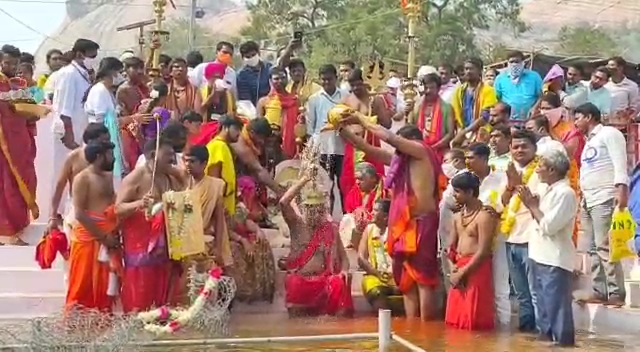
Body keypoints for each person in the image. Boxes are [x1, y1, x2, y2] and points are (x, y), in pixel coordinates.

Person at [340, 123, 440, 320]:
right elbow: (369, 150)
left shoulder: (421, 152)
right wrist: (342, 130)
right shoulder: (402, 161)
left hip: (421, 224)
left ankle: (427, 330)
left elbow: (389, 138)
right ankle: (413, 330)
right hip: (404, 227)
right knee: (407, 279)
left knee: (423, 280)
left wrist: (359, 117)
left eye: (401, 145)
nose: (397, 150)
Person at [116, 139, 186, 312]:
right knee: (140, 295)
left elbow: (186, 193)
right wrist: (139, 203)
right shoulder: (136, 177)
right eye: (168, 155)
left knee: (164, 293)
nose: (172, 160)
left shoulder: (170, 176)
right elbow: (117, 209)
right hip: (141, 248)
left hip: (165, 249)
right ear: (154, 155)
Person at [520, 149, 577, 346]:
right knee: (543, 311)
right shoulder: (546, 190)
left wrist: (533, 207)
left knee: (558, 310)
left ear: (552, 170)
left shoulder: (565, 194)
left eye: (540, 166)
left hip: (555, 259)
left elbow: (549, 227)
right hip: (538, 255)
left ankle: (564, 346)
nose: (537, 170)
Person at [574, 102, 628, 306]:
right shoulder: (590, 141)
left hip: (605, 196)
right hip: (589, 198)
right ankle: (599, 290)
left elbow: (619, 162)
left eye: (578, 117)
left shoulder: (609, 133)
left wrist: (621, 189)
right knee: (592, 248)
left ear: (589, 117)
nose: (576, 122)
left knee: (605, 246)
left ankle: (616, 292)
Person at [279, 171, 352, 317]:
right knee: (293, 283)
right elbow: (283, 202)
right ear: (304, 208)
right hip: (301, 281)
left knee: (339, 283)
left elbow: (345, 259)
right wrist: (305, 179)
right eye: (310, 209)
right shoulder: (297, 225)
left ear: (323, 210)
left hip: (324, 281)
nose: (314, 213)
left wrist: (343, 271)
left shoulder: (330, 228)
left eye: (317, 209)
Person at [65, 140, 120, 312]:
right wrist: (104, 238)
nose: (113, 158)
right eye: (110, 154)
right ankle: (76, 327)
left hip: (108, 237)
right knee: (82, 284)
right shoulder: (82, 178)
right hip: (88, 239)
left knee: (106, 287)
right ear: (99, 156)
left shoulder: (108, 177)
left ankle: (102, 324)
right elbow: (80, 214)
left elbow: (111, 204)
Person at [52, 39, 100, 215]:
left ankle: (73, 213)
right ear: (80, 54)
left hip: (81, 133)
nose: (94, 59)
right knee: (63, 175)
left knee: (78, 176)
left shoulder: (84, 74)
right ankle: (57, 214)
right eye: (91, 55)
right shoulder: (68, 74)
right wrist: (69, 137)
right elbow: (64, 109)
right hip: (68, 135)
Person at [465, 143, 510, 325]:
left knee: (500, 287)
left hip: (498, 236)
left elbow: (508, 201)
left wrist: (497, 211)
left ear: (484, 159)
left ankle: (504, 332)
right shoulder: (464, 179)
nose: (467, 161)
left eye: (471, 158)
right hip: (471, 241)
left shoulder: (501, 178)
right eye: (466, 157)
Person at [445, 172, 496, 330]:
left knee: (473, 319)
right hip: (458, 267)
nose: (454, 195)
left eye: (458, 191)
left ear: (470, 192)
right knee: (455, 321)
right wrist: (452, 267)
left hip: (477, 269)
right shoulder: (456, 217)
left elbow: (483, 251)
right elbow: (449, 249)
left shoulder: (484, 217)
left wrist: (462, 272)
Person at [501, 129, 541, 332]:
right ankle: (526, 335)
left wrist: (520, 185)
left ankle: (542, 333)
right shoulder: (508, 171)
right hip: (511, 238)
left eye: (524, 146)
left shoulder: (542, 171)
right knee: (520, 292)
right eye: (515, 147)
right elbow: (503, 202)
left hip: (532, 238)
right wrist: (510, 186)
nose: (520, 150)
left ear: (534, 148)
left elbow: (539, 202)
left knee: (534, 291)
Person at [0, 45, 38, 246]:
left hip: (20, 144)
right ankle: (9, 232)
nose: (12, 67)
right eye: (8, 63)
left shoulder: (18, 84)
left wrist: (34, 111)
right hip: (4, 146)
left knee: (23, 181)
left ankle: (16, 228)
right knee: (6, 188)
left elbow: (31, 108)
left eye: (15, 63)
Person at [48, 123, 111, 234]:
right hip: (75, 211)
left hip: (100, 213)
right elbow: (59, 186)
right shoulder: (74, 157)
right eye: (104, 140)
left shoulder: (106, 159)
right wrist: (53, 217)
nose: (107, 144)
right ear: (91, 140)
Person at [306, 64, 349, 213]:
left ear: (336, 78)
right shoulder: (314, 99)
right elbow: (311, 128)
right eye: (323, 80)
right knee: (326, 187)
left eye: (329, 79)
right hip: (323, 149)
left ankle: (347, 219)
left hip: (342, 148)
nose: (326, 83)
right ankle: (327, 221)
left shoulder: (345, 97)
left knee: (344, 186)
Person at [228, 175, 276, 303]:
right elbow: (223, 230)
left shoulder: (238, 206)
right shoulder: (221, 206)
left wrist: (258, 231)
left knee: (261, 242)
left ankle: (260, 292)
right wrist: (242, 241)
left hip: (240, 236)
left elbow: (246, 221)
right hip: (227, 239)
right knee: (235, 250)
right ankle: (240, 293)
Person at [184, 145, 231, 267]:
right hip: (182, 243)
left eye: (192, 161)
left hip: (204, 242)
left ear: (204, 164)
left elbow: (219, 220)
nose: (188, 164)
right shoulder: (181, 183)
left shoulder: (215, 186)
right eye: (186, 160)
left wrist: (218, 248)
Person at [84, 57, 128, 184]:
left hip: (109, 139)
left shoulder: (106, 90)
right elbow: (100, 121)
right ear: (111, 72)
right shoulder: (99, 91)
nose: (121, 76)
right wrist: (129, 119)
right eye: (120, 72)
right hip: (101, 142)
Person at [358, 199, 403, 314]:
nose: (371, 213)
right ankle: (385, 323)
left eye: (376, 210)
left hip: (397, 277)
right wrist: (376, 273)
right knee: (375, 291)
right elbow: (361, 258)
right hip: (376, 277)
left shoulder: (397, 230)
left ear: (386, 217)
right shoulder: (369, 229)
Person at [407, 73, 454, 160]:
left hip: (439, 151)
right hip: (418, 150)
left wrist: (433, 148)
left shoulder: (447, 108)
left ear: (439, 89)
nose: (428, 91)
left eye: (431, 88)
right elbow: (410, 128)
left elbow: (450, 134)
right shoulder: (417, 105)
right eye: (426, 88)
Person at [116, 56, 151, 169]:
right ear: (126, 70)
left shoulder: (144, 87)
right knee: (134, 166)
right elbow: (126, 115)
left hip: (146, 130)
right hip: (130, 132)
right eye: (135, 68)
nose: (140, 71)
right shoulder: (123, 90)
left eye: (141, 68)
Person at [256, 67, 299, 159]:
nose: (280, 81)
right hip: (269, 145)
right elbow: (258, 126)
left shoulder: (295, 101)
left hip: (291, 146)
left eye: (283, 78)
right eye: (276, 78)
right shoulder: (264, 101)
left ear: (287, 79)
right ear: (270, 81)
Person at [339, 162, 385, 249]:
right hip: (361, 224)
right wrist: (358, 210)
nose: (357, 182)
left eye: (361, 179)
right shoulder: (357, 189)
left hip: (378, 226)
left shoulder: (384, 190)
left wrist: (369, 216)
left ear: (373, 178)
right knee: (347, 218)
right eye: (356, 179)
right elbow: (349, 206)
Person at [450, 58, 498, 137]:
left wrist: (466, 131)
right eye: (466, 69)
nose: (468, 71)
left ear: (479, 71)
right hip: (462, 134)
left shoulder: (488, 90)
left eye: (471, 69)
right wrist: (460, 133)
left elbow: (485, 117)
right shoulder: (458, 91)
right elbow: (454, 115)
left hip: (481, 134)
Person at [206, 115, 244, 214]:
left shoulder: (224, 146)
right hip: (220, 209)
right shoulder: (217, 146)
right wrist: (218, 207)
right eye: (236, 129)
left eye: (240, 130)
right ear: (225, 127)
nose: (239, 133)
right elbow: (213, 180)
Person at [494, 50, 543, 120]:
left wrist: (535, 108)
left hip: (529, 118)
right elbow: (497, 98)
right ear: (507, 63)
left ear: (523, 62)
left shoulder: (534, 76)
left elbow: (541, 96)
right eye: (511, 62)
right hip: (508, 120)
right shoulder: (500, 78)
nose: (514, 64)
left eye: (517, 62)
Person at [237, 41, 272, 106]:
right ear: (243, 58)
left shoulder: (269, 67)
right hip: (253, 110)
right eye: (247, 57)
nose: (251, 58)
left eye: (253, 55)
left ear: (258, 53)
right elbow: (245, 99)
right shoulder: (241, 75)